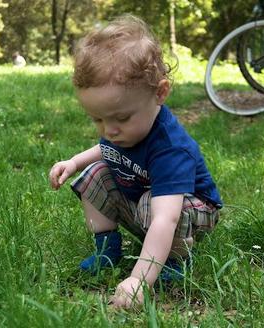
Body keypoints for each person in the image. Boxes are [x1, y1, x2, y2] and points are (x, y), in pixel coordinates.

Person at [48, 15, 222, 309]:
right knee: (96, 174)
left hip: (193, 210)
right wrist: (74, 162)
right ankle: (107, 250)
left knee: (153, 204)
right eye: (98, 119)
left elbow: (166, 217)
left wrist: (139, 279)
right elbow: (105, 149)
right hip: (147, 199)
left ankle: (175, 261)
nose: (109, 130)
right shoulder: (122, 132)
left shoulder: (170, 148)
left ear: (160, 93)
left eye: (121, 118)